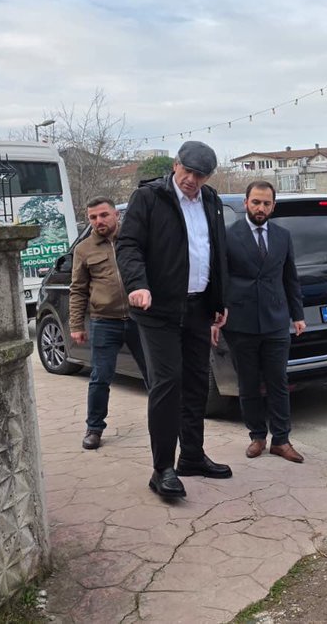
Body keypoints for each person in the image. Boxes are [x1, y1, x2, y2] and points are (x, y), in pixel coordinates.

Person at [117, 140, 232, 499]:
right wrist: (138, 284)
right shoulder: (150, 198)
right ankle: (162, 468)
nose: (193, 180)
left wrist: (219, 300)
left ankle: (193, 456)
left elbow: (216, 252)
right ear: (176, 166)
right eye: (189, 172)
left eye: (201, 175)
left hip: (198, 307)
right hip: (158, 309)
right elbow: (128, 245)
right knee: (168, 383)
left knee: (198, 382)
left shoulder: (211, 201)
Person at [217, 180, 307, 463]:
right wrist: (216, 313)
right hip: (240, 323)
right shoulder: (229, 236)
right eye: (256, 202)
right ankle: (257, 436)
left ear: (273, 206)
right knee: (249, 383)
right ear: (246, 203)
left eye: (266, 203)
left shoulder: (283, 236)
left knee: (278, 381)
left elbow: (290, 278)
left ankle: (281, 439)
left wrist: (298, 315)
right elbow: (219, 280)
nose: (261, 208)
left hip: (276, 320)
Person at [69, 196, 147, 450]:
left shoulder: (134, 240)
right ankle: (94, 429)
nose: (99, 221)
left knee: (155, 375)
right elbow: (78, 289)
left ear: (116, 215)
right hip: (105, 322)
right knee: (100, 378)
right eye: (93, 217)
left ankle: (170, 421)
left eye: (104, 215)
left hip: (141, 319)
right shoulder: (84, 249)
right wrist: (76, 325)